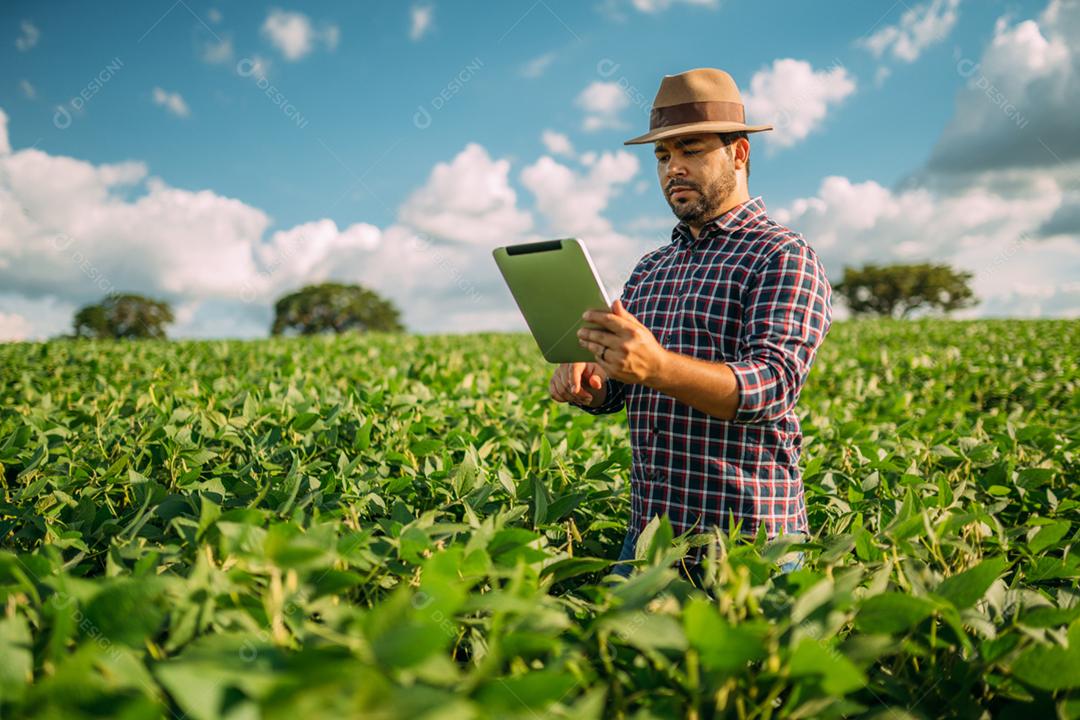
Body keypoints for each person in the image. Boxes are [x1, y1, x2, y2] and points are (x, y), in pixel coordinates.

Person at [547, 68, 832, 581]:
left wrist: (656, 367)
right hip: (650, 541)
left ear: (739, 154)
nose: (673, 168)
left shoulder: (782, 255)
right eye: (662, 156)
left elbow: (770, 387)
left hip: (749, 547)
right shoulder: (652, 267)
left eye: (691, 150)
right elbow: (626, 388)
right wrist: (596, 382)